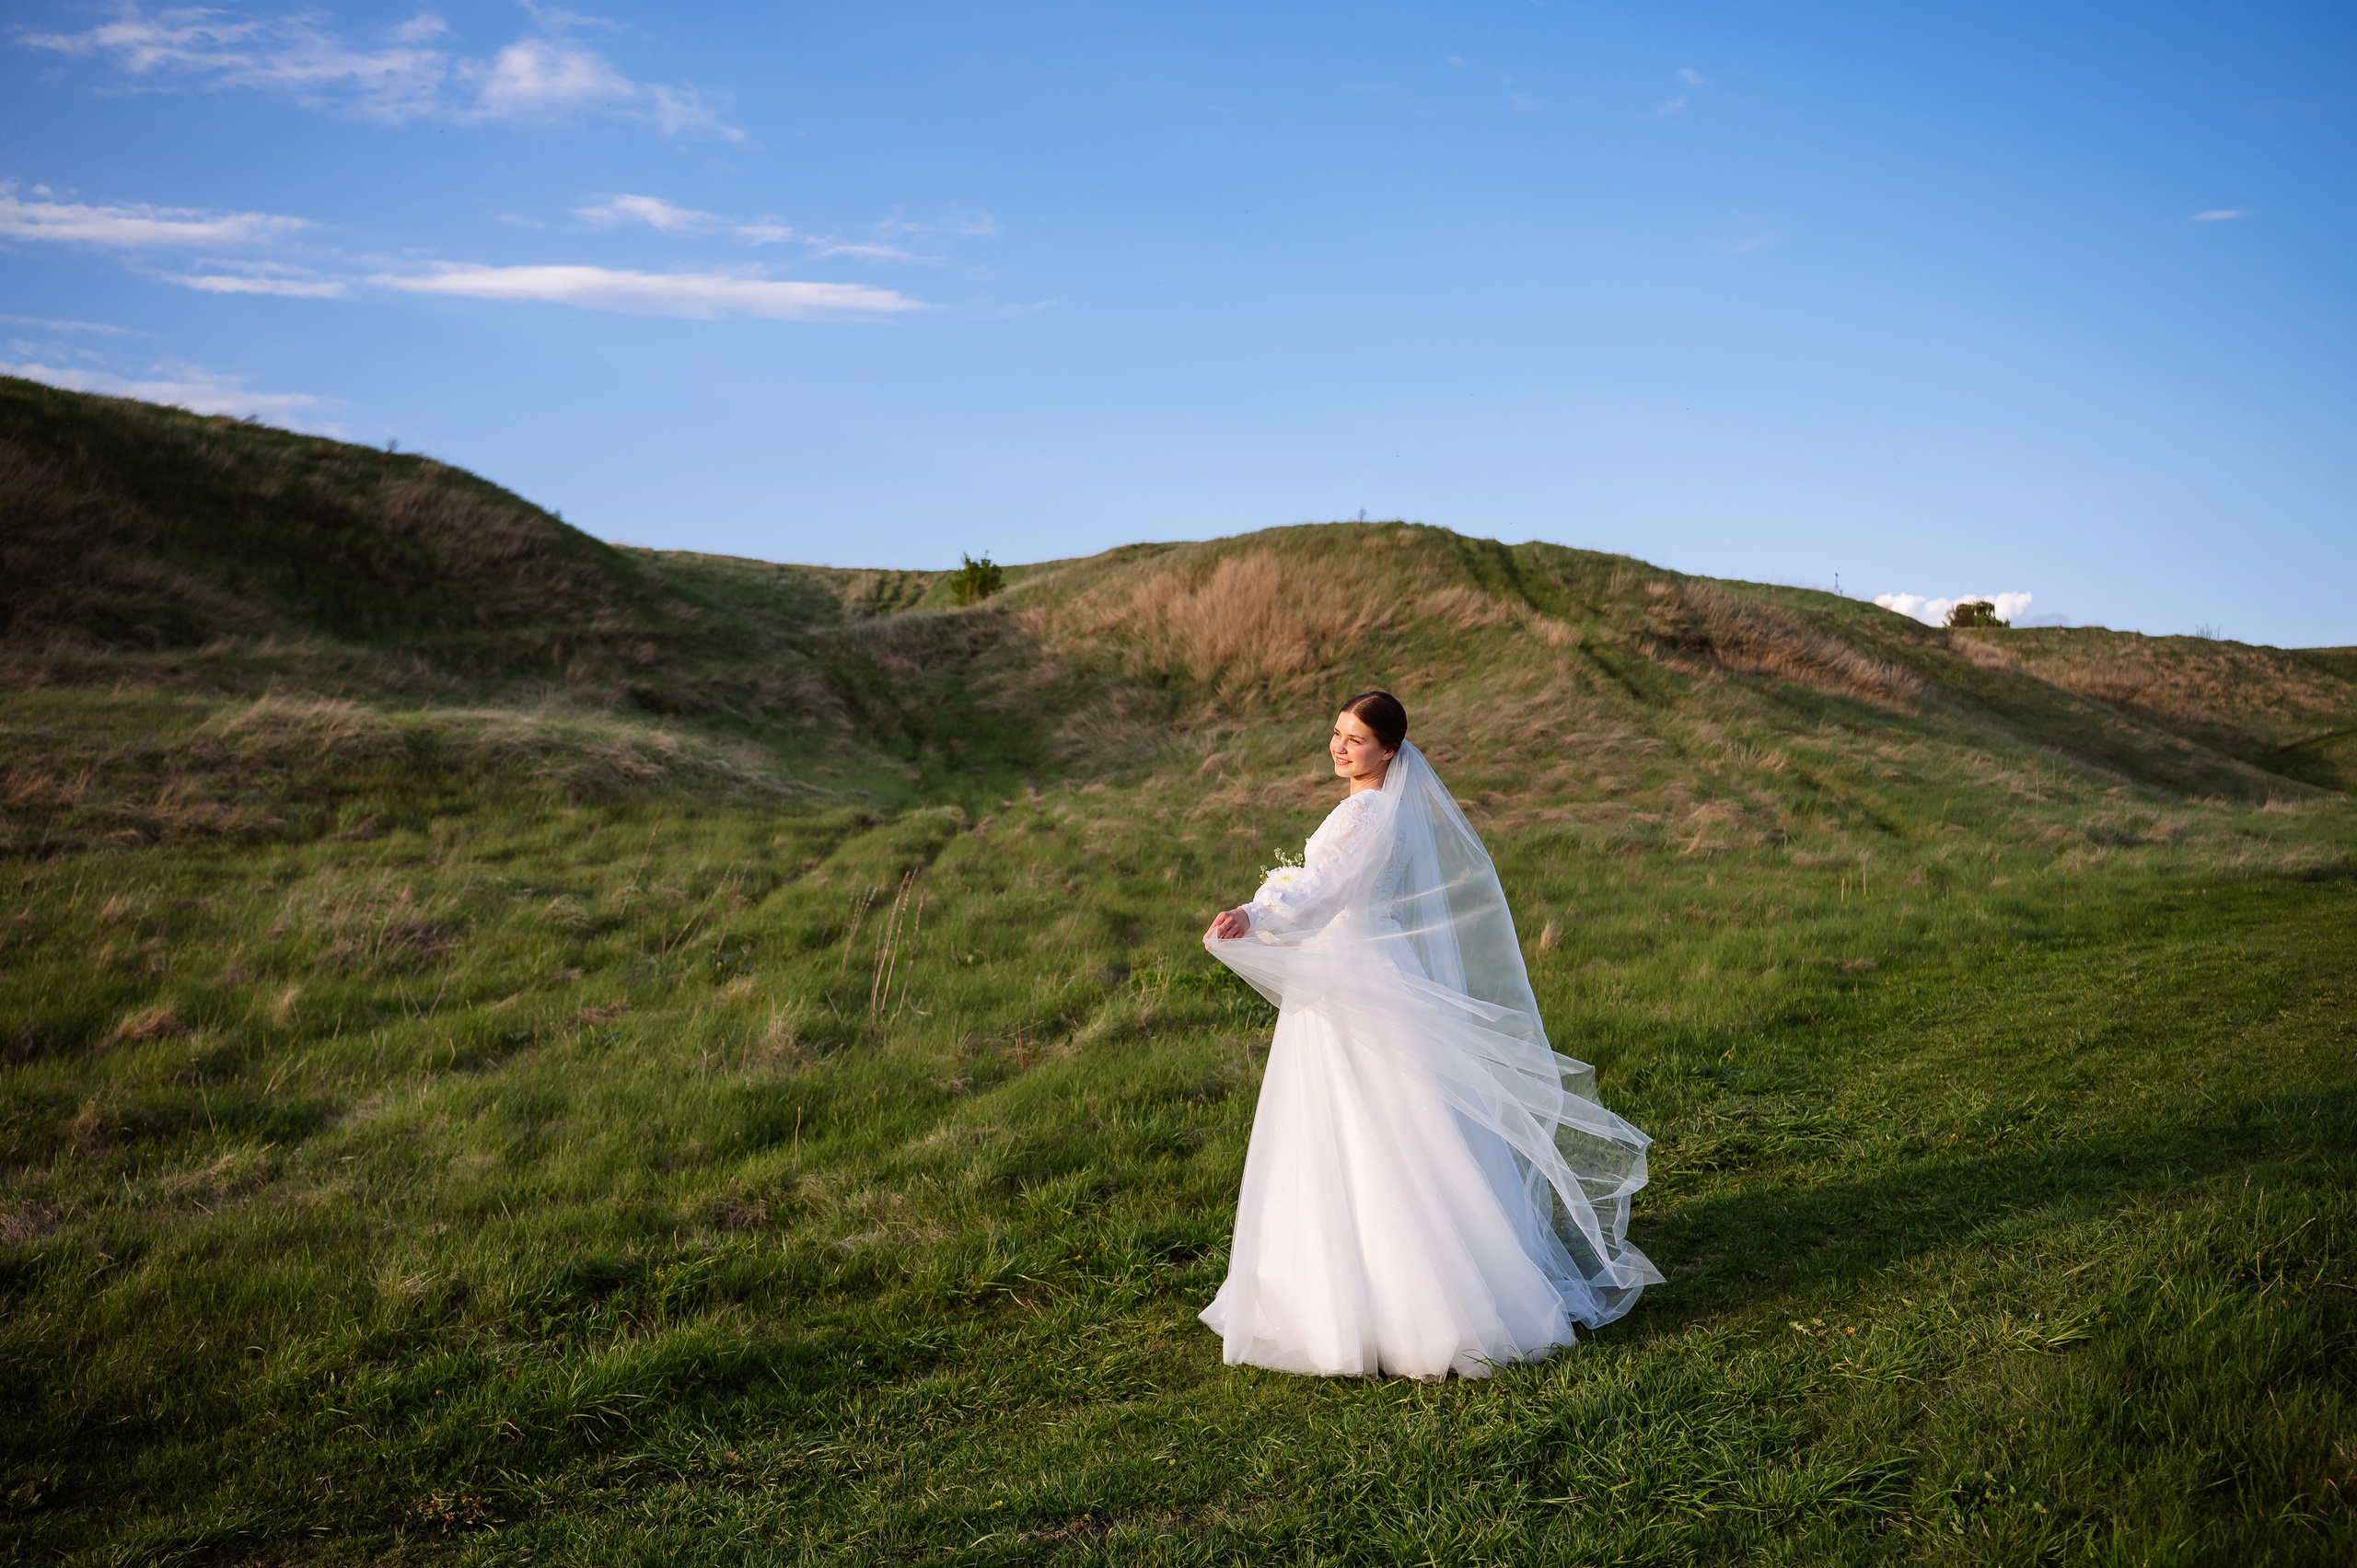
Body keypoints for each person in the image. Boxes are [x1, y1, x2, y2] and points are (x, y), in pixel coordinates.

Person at [1199, 691, 1660, 1379]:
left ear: (1389, 750)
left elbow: (1322, 892)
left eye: (1355, 739)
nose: (1339, 747)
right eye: (1336, 733)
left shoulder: (1364, 811)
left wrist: (1251, 911)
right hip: (1365, 965)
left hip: (1351, 973)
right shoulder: (1388, 810)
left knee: (1365, 1125)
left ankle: (1396, 1305)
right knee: (1385, 1123)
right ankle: (1390, 1286)